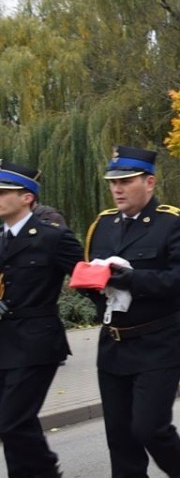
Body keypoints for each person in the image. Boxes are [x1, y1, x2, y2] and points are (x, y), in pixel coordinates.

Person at [84, 146, 180, 478]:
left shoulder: (173, 223)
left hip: (158, 342)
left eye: (126, 181)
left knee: (149, 427)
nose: (117, 189)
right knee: (120, 437)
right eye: (113, 182)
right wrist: (90, 286)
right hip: (114, 344)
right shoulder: (103, 225)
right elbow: (94, 278)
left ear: (149, 182)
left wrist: (133, 279)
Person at [0, 161, 83, 478]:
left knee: (13, 421)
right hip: (4, 342)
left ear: (27, 198)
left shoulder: (53, 237)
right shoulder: (1, 237)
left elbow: (85, 280)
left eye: (4, 192)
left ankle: (46, 471)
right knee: (13, 422)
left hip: (37, 342)